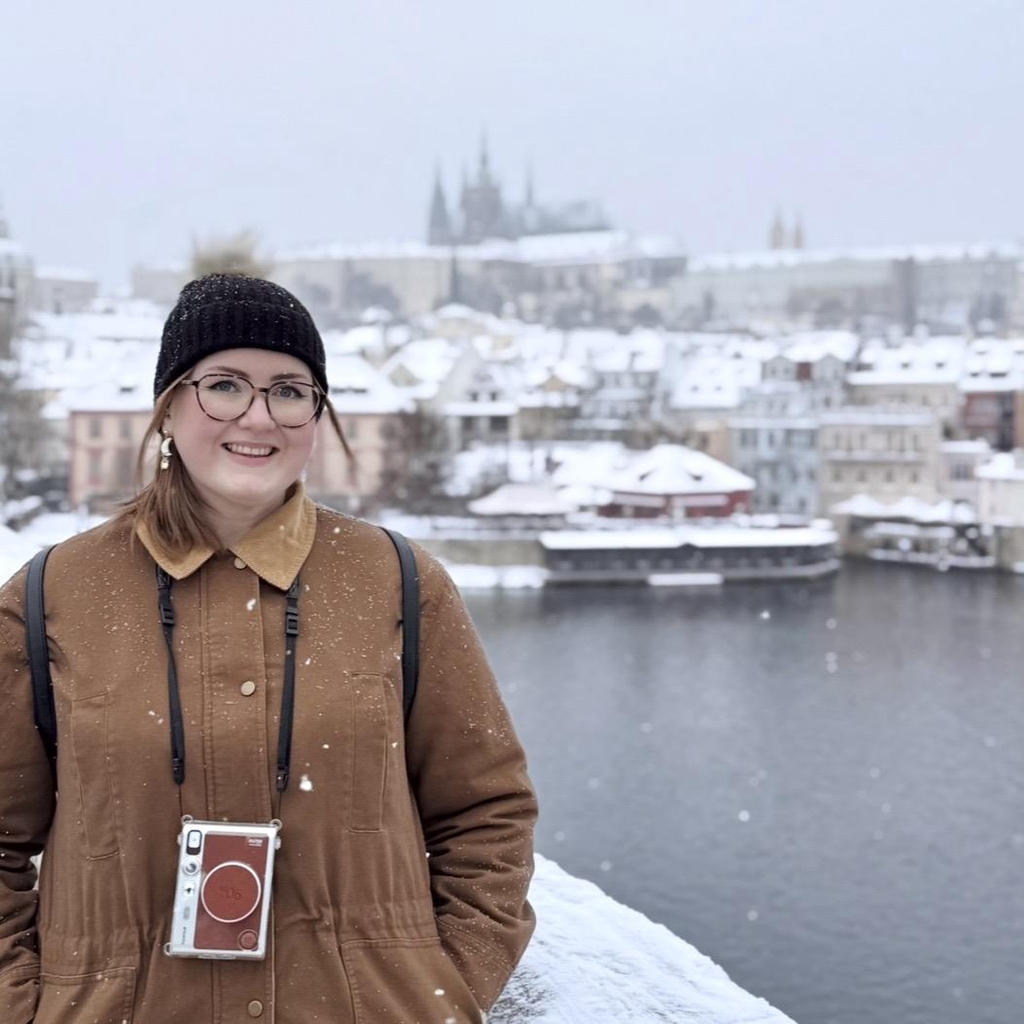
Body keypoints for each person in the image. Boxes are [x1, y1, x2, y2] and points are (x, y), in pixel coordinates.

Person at [0, 274, 537, 1024]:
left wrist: (437, 994)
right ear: (168, 407)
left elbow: (487, 814)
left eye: (290, 391)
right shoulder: (55, 593)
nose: (259, 416)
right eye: (224, 385)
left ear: (317, 415)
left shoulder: (399, 583)